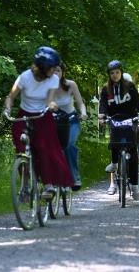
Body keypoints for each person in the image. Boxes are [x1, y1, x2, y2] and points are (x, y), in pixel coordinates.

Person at [4, 46, 73, 199]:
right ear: (42, 67)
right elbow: (11, 96)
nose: (54, 70)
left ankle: (48, 185)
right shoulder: (25, 77)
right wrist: (7, 109)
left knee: (45, 149)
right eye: (52, 67)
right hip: (24, 116)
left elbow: (49, 100)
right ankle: (25, 184)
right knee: (21, 149)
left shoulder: (53, 79)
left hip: (42, 116)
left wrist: (52, 106)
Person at [99, 60, 139, 200]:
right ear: (109, 75)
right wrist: (101, 116)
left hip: (130, 119)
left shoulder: (130, 86)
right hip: (115, 119)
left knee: (132, 151)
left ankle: (134, 185)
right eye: (112, 73)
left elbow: (138, 102)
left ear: (121, 72)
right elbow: (103, 106)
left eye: (117, 72)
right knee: (114, 140)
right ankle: (114, 163)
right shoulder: (106, 89)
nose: (115, 75)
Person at [53, 63, 88, 191]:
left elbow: (80, 103)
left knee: (69, 145)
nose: (55, 73)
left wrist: (83, 113)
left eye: (58, 70)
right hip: (53, 121)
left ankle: (74, 176)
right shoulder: (45, 86)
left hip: (70, 120)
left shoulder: (70, 84)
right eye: (52, 70)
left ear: (63, 72)